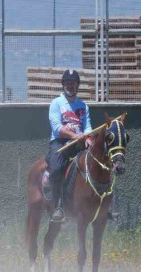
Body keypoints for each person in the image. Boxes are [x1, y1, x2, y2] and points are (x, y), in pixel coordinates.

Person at [46, 69, 92, 222]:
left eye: (73, 83)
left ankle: (99, 205)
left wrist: (88, 139)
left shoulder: (83, 106)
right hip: (60, 143)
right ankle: (58, 206)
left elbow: (87, 127)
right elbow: (57, 128)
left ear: (78, 85)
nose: (70, 86)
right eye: (67, 83)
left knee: (99, 162)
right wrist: (75, 136)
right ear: (63, 85)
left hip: (80, 143)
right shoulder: (56, 103)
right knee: (57, 168)